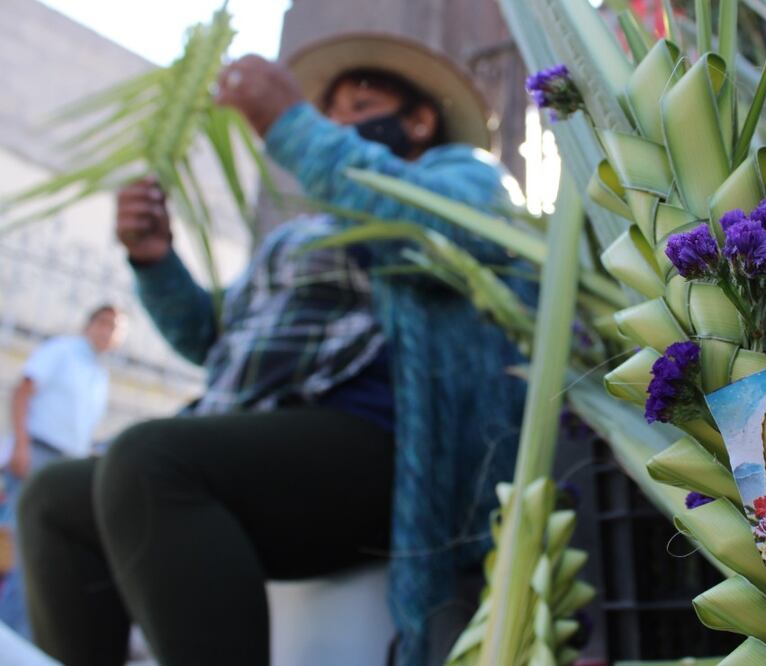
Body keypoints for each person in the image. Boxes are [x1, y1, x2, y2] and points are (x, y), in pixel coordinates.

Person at [18, 34, 527, 666]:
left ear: (419, 120)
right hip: (266, 441)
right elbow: (219, 340)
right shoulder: (305, 231)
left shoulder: (462, 176)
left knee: (151, 455)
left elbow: (456, 230)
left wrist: (290, 124)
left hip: (384, 449)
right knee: (55, 497)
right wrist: (155, 262)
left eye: (359, 104)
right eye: (325, 111)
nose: (334, 121)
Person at [0, 305, 122, 639]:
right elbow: (23, 391)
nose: (107, 331)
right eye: (103, 322)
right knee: (27, 553)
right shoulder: (62, 351)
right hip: (37, 454)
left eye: (115, 328)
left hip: (64, 464)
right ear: (88, 324)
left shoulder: (99, 374)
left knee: (40, 557)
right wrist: (21, 445)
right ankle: (10, 638)